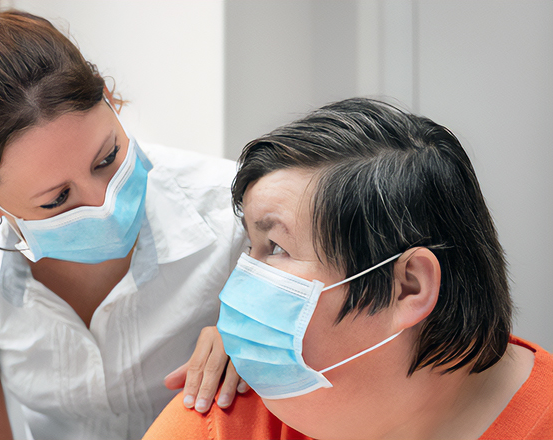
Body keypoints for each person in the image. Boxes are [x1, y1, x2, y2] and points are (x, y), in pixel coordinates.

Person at [0, 1, 249, 439]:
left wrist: (266, 340)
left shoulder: (235, 209)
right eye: (58, 198)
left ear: (111, 99)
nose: (103, 201)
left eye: (108, 158)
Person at [143, 97, 553, 440]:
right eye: (252, 247)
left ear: (408, 286)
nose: (239, 285)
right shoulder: (231, 414)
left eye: (277, 248)